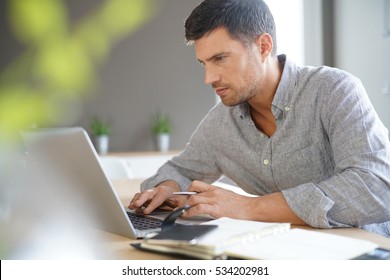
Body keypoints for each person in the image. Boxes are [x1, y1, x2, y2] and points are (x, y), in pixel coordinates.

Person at [129, 0, 390, 237]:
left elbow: (377, 188)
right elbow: (180, 169)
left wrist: (249, 207)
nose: (208, 79)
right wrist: (167, 187)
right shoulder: (222, 122)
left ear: (263, 46)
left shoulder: (334, 90)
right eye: (203, 63)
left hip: (364, 248)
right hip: (284, 248)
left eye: (220, 59)